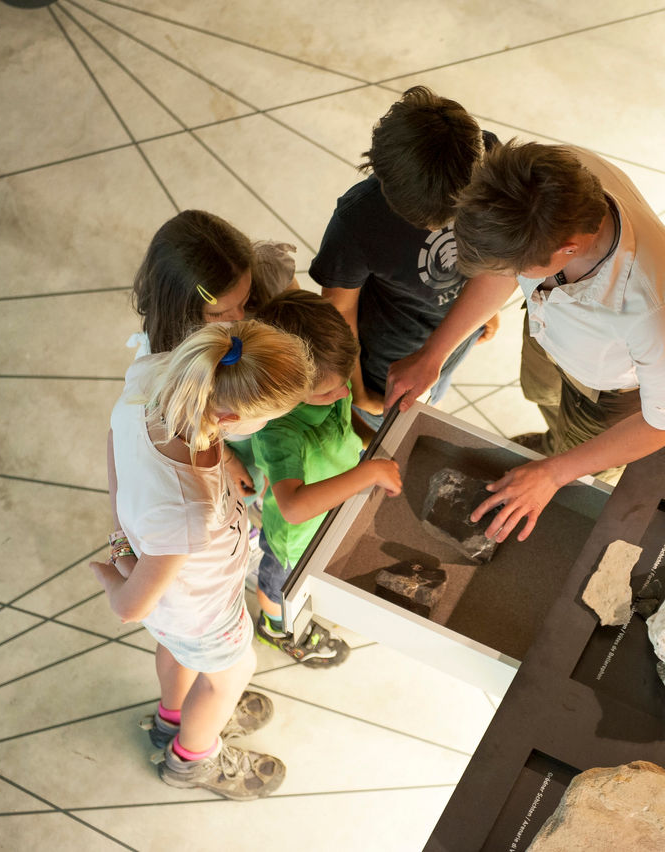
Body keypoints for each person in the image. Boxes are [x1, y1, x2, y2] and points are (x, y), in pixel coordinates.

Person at [385, 141, 665, 544]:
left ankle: (554, 457)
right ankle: (552, 442)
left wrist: (555, 473)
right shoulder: (546, 177)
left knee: (572, 466)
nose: (514, 275)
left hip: (604, 394)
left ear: (567, 249)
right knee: (542, 397)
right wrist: (434, 353)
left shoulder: (659, 311)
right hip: (547, 336)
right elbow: (504, 267)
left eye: (520, 268)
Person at [90, 320, 314, 800]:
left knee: (176, 649)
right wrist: (112, 571)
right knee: (230, 674)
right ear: (232, 418)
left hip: (178, 607)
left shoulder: (153, 376)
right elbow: (130, 608)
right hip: (201, 610)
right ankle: (193, 757)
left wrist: (121, 535)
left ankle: (172, 716)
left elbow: (113, 441)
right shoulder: (188, 505)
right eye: (269, 418)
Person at [310, 86, 499, 428]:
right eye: (423, 220)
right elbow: (338, 314)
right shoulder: (357, 221)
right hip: (390, 359)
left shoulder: (492, 163)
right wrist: (358, 392)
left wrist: (486, 305)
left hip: (457, 333)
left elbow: (501, 248)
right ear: (380, 176)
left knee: (435, 390)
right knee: (389, 427)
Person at [250, 290, 403, 663]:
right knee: (278, 583)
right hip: (295, 539)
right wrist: (367, 472)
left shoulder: (330, 380)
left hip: (333, 507)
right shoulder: (278, 429)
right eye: (324, 393)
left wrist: (371, 449)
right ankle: (274, 627)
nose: (340, 395)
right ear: (283, 388)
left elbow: (345, 419)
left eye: (343, 384)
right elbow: (294, 507)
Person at [129, 208, 299, 500]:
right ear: (182, 308)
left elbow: (303, 321)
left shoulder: (269, 273)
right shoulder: (164, 358)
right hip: (234, 439)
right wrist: (230, 461)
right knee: (252, 489)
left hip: (285, 402)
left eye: (245, 300)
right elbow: (188, 424)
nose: (239, 317)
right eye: (218, 313)